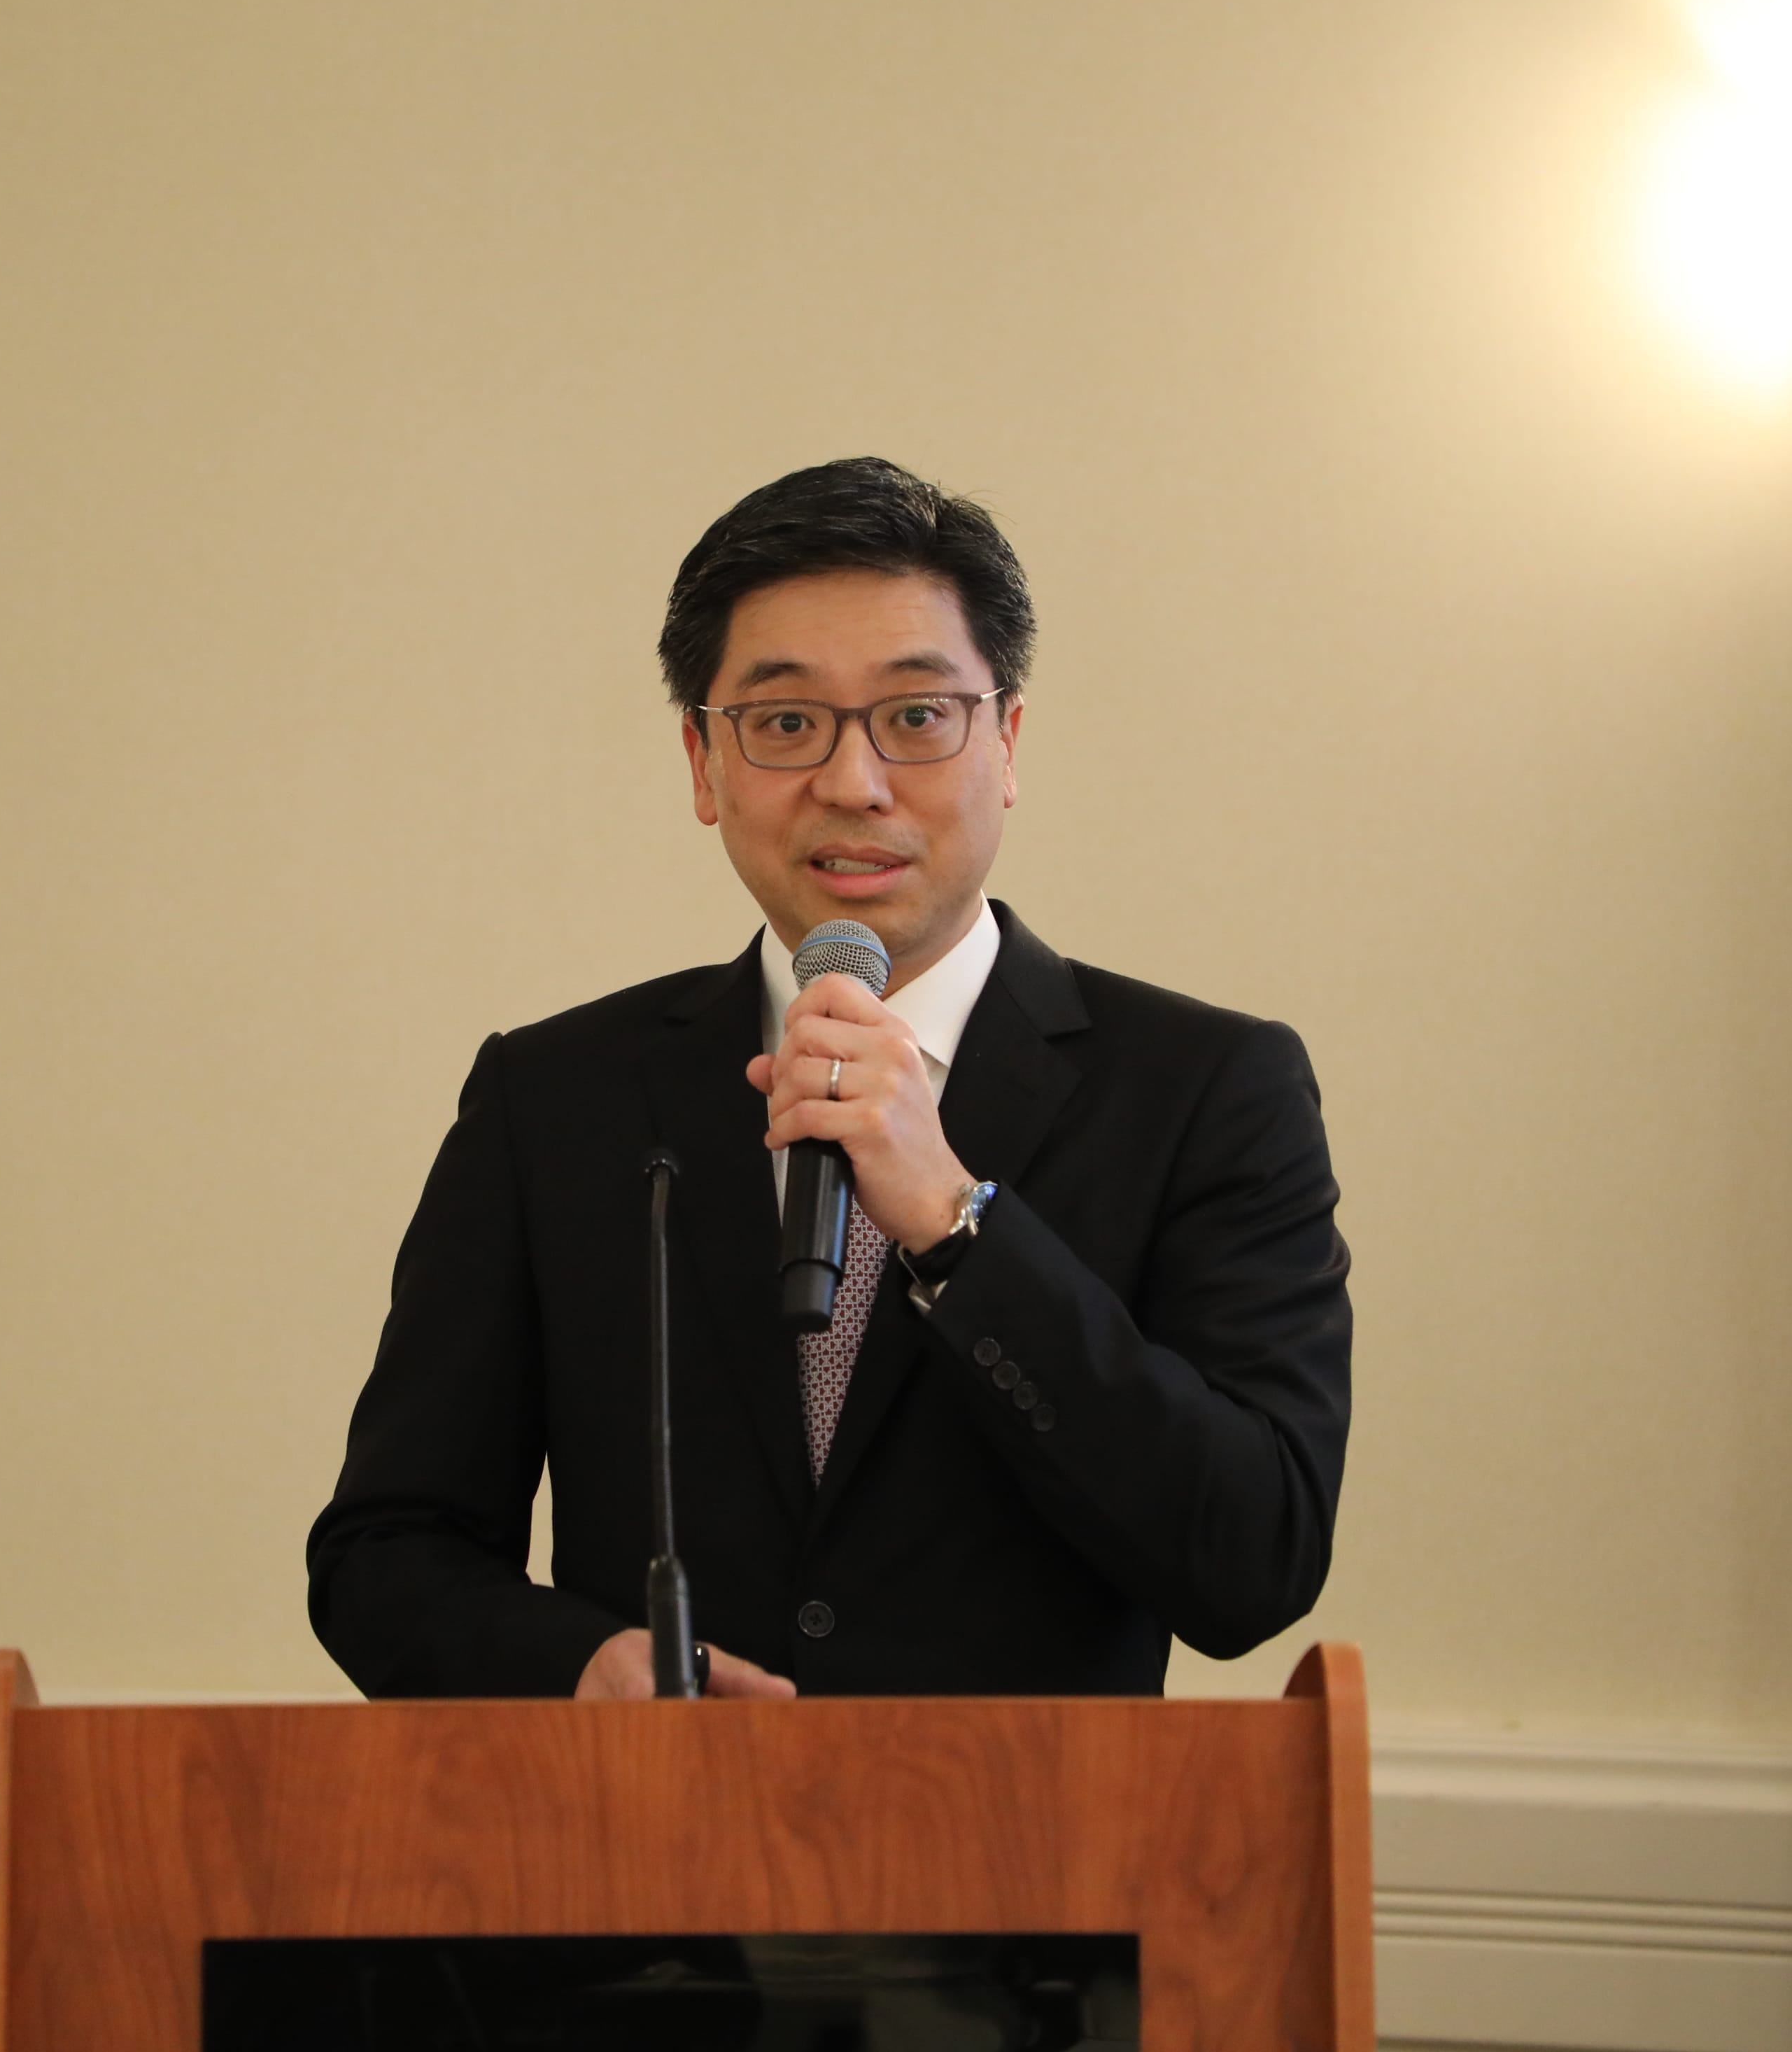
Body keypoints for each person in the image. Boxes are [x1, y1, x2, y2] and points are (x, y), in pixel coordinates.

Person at [307, 458, 1351, 1697]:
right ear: (703, 763)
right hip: (659, 1821)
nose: (853, 784)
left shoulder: (1207, 1090)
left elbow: (1255, 1562)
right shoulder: (553, 1100)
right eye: (787, 723)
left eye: (917, 716)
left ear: (1007, 744)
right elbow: (385, 1555)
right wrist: (578, 1667)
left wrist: (958, 1227)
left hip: (1032, 1821)